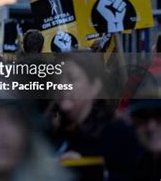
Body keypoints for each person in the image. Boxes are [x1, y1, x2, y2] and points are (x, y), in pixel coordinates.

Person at [51, 52, 142, 181]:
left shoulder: (119, 134)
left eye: (71, 79)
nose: (61, 86)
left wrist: (90, 171)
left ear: (95, 86)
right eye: (57, 80)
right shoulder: (48, 135)